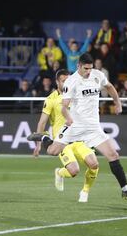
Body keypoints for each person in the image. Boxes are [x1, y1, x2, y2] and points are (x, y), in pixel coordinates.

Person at [28, 53, 127, 199]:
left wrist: (117, 103)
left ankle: (125, 190)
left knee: (113, 155)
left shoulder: (97, 75)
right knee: (52, 151)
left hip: (93, 128)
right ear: (79, 66)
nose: (88, 72)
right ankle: (44, 138)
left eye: (90, 68)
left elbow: (110, 87)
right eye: (86, 69)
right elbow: (64, 107)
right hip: (74, 126)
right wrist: (68, 118)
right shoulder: (71, 82)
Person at [31, 69, 99, 203]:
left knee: (94, 164)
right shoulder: (51, 99)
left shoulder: (77, 95)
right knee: (74, 171)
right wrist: (38, 145)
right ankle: (59, 173)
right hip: (62, 141)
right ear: (57, 82)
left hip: (79, 139)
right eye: (63, 81)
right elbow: (42, 122)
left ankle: (85, 191)